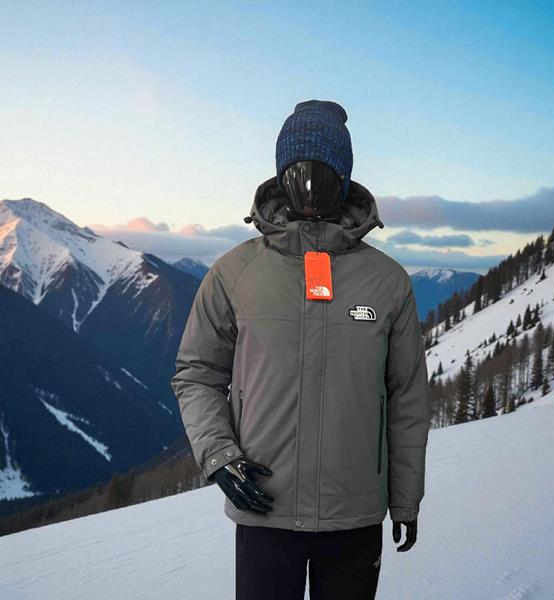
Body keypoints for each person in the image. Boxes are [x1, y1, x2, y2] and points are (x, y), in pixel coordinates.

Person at [171, 99, 431, 600]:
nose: (310, 186)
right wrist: (219, 455)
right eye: (297, 172)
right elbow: (197, 373)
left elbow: (406, 397)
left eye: (324, 174)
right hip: (264, 507)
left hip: (353, 515)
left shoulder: (387, 282)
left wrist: (406, 498)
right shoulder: (234, 274)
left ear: (345, 180)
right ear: (280, 176)